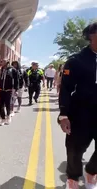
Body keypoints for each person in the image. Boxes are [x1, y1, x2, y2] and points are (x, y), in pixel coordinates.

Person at [58, 22, 97, 189]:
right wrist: (64, 114)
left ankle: (91, 172)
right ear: (90, 36)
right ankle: (73, 179)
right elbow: (66, 88)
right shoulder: (76, 61)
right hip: (81, 112)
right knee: (75, 150)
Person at [0, 60, 18, 125]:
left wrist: (16, 89)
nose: (1, 63)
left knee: (7, 104)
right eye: (1, 62)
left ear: (7, 63)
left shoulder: (13, 70)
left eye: (3, 62)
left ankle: (8, 116)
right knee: (0, 104)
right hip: (1, 90)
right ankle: (3, 118)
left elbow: (16, 80)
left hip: (8, 90)